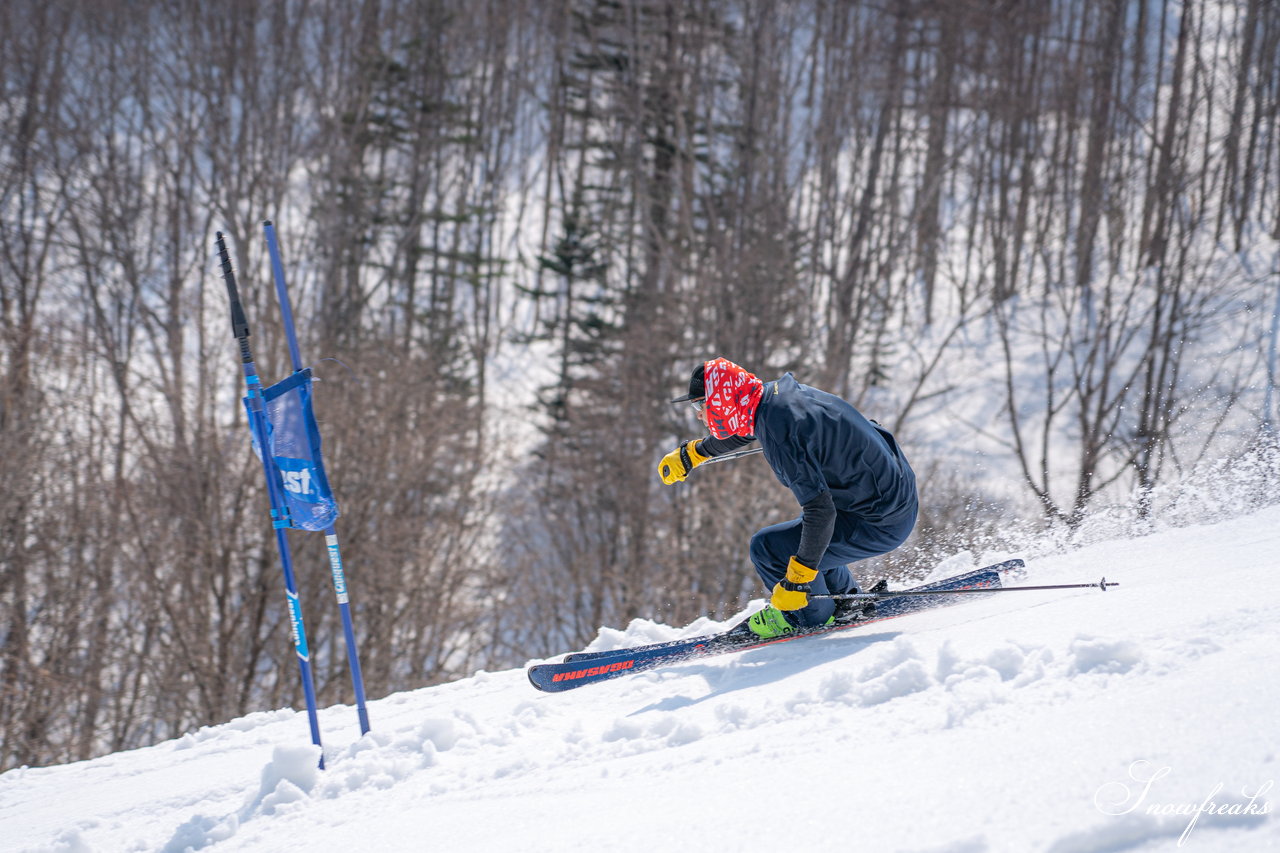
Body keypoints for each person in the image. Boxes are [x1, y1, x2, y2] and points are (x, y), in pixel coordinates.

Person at [658, 357, 918, 639]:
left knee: (769, 548)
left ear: (722, 400)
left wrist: (797, 580)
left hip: (881, 520)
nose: (698, 415)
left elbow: (820, 512)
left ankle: (808, 616)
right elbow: (747, 426)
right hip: (891, 496)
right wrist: (695, 452)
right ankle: (843, 599)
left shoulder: (781, 431)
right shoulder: (772, 399)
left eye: (701, 405)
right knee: (800, 540)